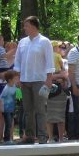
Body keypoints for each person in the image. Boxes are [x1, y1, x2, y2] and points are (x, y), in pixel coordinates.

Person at [13, 16, 53, 144]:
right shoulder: (22, 42)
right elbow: (17, 60)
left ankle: (42, 136)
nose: (24, 28)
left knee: (40, 109)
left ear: (34, 26)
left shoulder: (44, 41)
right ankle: (29, 136)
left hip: (39, 80)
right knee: (28, 110)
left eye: (27, 26)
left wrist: (49, 79)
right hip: (25, 80)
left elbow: (49, 61)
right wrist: (18, 77)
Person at [46, 75, 69, 142]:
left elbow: (65, 75)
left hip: (61, 91)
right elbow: (45, 75)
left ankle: (61, 138)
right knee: (49, 115)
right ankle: (50, 138)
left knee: (61, 116)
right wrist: (58, 76)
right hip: (49, 90)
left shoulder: (61, 64)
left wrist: (62, 78)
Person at [0, 70, 18, 143]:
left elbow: (18, 96)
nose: (17, 80)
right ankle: (6, 139)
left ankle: (8, 138)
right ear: (10, 80)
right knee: (8, 123)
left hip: (12, 108)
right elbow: (0, 98)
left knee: (11, 123)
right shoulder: (6, 88)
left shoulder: (15, 87)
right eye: (15, 78)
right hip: (6, 109)